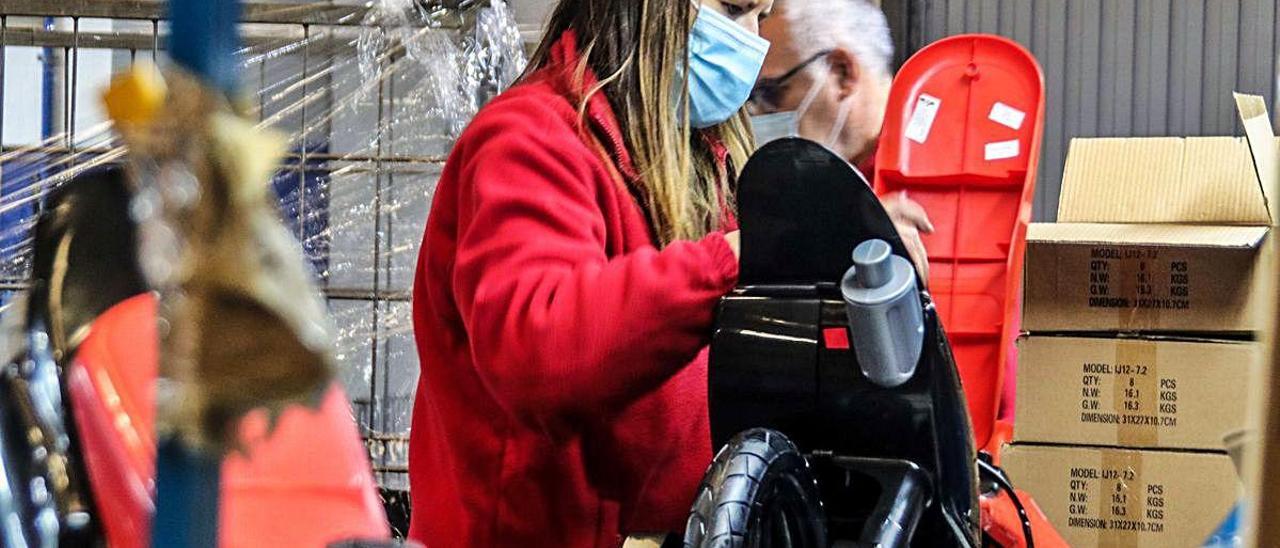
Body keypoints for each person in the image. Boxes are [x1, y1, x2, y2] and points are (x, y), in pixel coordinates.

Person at [407, 1, 771, 546]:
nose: (751, 47)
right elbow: (542, 351)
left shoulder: (697, 161)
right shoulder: (528, 142)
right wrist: (730, 262)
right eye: (735, 9)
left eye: (760, 19)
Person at [750, 0, 934, 280]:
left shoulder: (936, 176)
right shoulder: (804, 183)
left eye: (773, 92)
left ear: (842, 71)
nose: (760, 113)